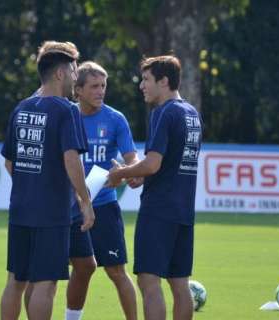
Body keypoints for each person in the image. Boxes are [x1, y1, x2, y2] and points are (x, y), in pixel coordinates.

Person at [0, 40, 95, 320]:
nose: (77, 78)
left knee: (15, 281)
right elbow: (71, 160)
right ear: (60, 73)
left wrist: (31, 183)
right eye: (75, 71)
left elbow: (9, 161)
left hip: (20, 209)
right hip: (51, 213)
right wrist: (85, 201)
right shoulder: (67, 110)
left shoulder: (22, 107)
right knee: (46, 282)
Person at [108, 55, 202, 320]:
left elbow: (152, 164)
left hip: (159, 210)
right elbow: (167, 165)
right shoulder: (192, 113)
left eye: (147, 80)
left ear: (164, 81)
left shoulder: (163, 112)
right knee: (180, 284)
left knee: (149, 283)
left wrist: (121, 174)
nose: (141, 86)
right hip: (183, 210)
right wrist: (141, 177)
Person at [64, 61, 139, 320]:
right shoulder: (66, 116)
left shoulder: (116, 119)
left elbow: (131, 158)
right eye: (94, 86)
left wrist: (130, 172)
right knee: (72, 270)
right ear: (78, 89)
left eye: (103, 86)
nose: (100, 91)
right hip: (69, 208)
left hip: (105, 205)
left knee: (117, 271)